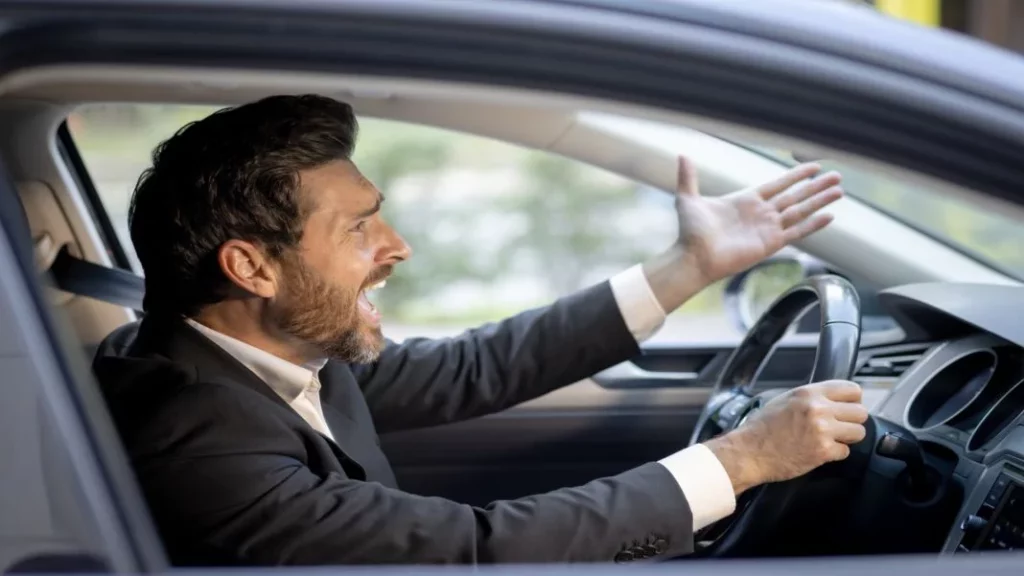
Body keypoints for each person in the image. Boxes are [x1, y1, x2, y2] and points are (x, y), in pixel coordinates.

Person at [93, 94, 867, 566]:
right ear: (252, 268)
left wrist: (687, 266)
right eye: (360, 228)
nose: (397, 246)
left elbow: (474, 367)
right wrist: (742, 460)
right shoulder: (196, 442)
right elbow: (473, 551)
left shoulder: (269, 354)